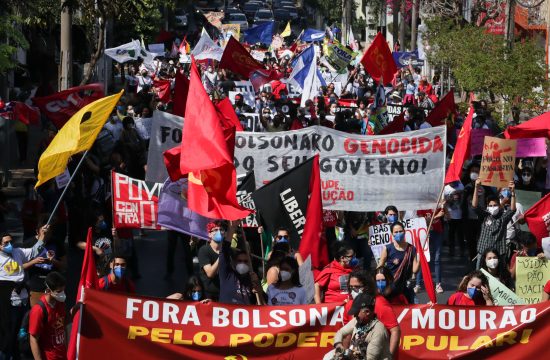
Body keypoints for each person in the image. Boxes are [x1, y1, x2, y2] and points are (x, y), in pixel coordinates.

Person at [0, 231, 45, 360]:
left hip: (24, 300)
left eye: (11, 242)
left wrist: (42, 236)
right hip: (9, 301)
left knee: (23, 330)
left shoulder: (17, 252)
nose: (9, 245)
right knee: (9, 331)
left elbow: (34, 251)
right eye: (6, 243)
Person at [343, 271, 400, 356]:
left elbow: (395, 331)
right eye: (351, 287)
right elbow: (347, 334)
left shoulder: (380, 304)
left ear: (367, 287)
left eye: (357, 287)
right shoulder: (349, 305)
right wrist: (344, 355)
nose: (353, 290)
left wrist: (389, 356)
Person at [327, 293, 392, 360]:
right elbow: (340, 332)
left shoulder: (378, 330)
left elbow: (370, 358)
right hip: (354, 356)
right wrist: (338, 345)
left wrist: (348, 357)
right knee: (328, 357)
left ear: (367, 312)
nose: (354, 315)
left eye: (357, 312)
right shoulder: (357, 320)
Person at [472, 180, 516, 269]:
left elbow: (512, 210)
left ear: (499, 206)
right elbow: (474, 205)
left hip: (498, 253)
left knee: (500, 276)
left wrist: (513, 192)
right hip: (483, 252)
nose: (493, 207)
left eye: (495, 205)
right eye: (490, 206)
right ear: (487, 207)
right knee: (480, 274)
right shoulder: (484, 216)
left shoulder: (503, 217)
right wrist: (476, 187)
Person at [218, 222, 265, 305]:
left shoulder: (252, 280)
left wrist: (258, 291)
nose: (242, 263)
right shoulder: (227, 275)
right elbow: (224, 250)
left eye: (245, 261)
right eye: (239, 261)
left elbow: (262, 309)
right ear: (234, 262)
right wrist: (232, 228)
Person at [29, 271, 67, 360]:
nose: (62, 294)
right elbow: (33, 339)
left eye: (63, 290)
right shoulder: (39, 310)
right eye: (59, 291)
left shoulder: (60, 303)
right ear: (49, 291)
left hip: (63, 355)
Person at [378, 222, 419, 303]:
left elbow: (414, 270)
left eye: (400, 231)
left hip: (406, 287)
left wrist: (421, 258)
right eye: (396, 232)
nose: (398, 234)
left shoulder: (411, 248)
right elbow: (379, 267)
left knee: (413, 309)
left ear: (404, 232)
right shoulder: (387, 249)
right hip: (391, 287)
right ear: (392, 234)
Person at [198, 221, 223, 301]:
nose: (219, 232)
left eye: (221, 230)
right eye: (215, 230)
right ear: (209, 234)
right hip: (209, 294)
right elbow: (210, 273)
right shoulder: (204, 250)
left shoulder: (229, 251)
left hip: (223, 293)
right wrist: (222, 254)